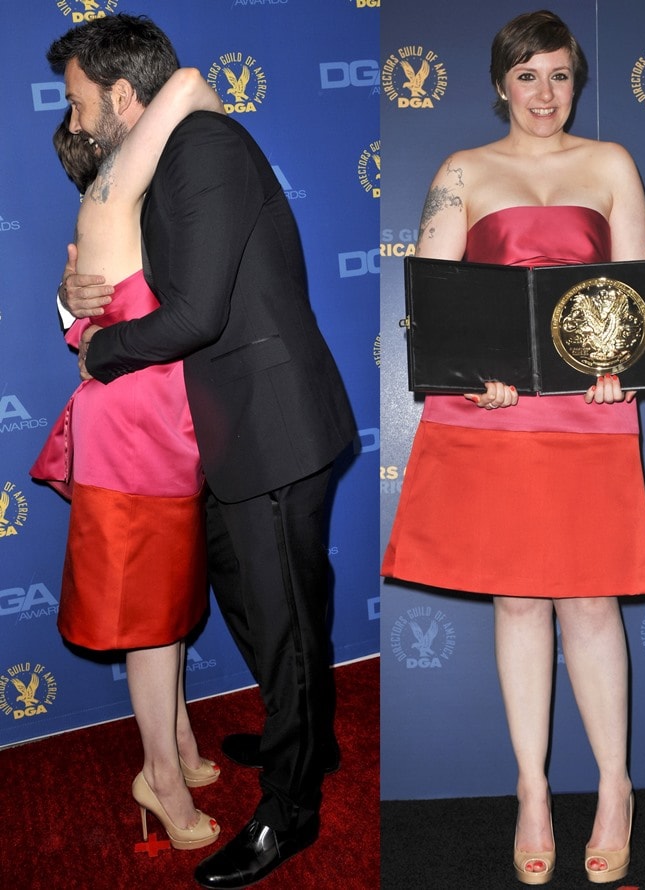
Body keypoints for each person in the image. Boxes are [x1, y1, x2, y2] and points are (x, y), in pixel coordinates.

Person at [46, 13, 356, 889]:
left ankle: (290, 812)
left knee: (285, 616)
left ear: (121, 95)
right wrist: (74, 301)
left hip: (271, 422)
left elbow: (195, 317)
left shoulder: (204, 145)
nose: (74, 122)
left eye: (78, 103)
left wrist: (97, 355)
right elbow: (126, 275)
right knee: (257, 607)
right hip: (219, 431)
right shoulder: (161, 163)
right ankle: (306, 732)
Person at [382, 10, 645, 886]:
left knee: (589, 603)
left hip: (590, 412)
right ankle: (532, 793)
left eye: (562, 75)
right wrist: (468, 371)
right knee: (516, 603)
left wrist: (622, 366)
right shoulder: (461, 171)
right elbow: (431, 299)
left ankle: (616, 788)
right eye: (529, 75)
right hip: (491, 414)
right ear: (501, 82)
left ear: (578, 82)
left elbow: (638, 294)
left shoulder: (612, 163)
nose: (546, 94)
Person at [32, 67, 227, 851]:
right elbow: (187, 84)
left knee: (168, 603)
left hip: (162, 434)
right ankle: (161, 776)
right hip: (132, 439)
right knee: (152, 617)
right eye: (81, 110)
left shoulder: (136, 218)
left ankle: (176, 742)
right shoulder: (109, 201)